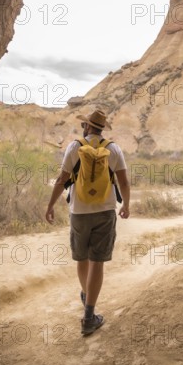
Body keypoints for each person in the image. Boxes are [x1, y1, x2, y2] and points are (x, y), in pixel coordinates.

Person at [45, 109, 130, 336]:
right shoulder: (113, 148)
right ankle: (90, 315)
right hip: (105, 212)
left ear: (86, 126)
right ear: (102, 129)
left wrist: (50, 205)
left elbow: (62, 179)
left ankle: (86, 295)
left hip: (79, 212)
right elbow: (123, 181)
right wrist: (126, 205)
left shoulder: (75, 147)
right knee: (97, 262)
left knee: (82, 259)